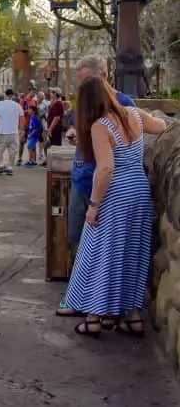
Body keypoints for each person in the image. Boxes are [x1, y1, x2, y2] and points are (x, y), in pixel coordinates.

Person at [62, 77, 168, 336]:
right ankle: (131, 316)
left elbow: (106, 168)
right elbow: (162, 126)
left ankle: (95, 316)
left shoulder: (100, 126)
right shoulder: (134, 114)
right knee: (132, 251)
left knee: (100, 251)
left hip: (116, 194)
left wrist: (94, 205)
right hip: (139, 191)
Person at [55, 54, 136, 318]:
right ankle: (84, 295)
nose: (82, 87)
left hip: (107, 185)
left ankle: (92, 302)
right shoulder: (84, 100)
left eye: (86, 80)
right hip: (82, 178)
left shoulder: (122, 103)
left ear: (103, 75)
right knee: (76, 236)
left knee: (104, 243)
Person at [0, 89, 23, 175]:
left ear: (5, 95)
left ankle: (1, 165)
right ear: (12, 96)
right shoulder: (17, 105)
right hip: (14, 132)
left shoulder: (1, 104)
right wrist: (21, 130)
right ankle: (9, 167)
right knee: (12, 150)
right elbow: (21, 118)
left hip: (2, 132)